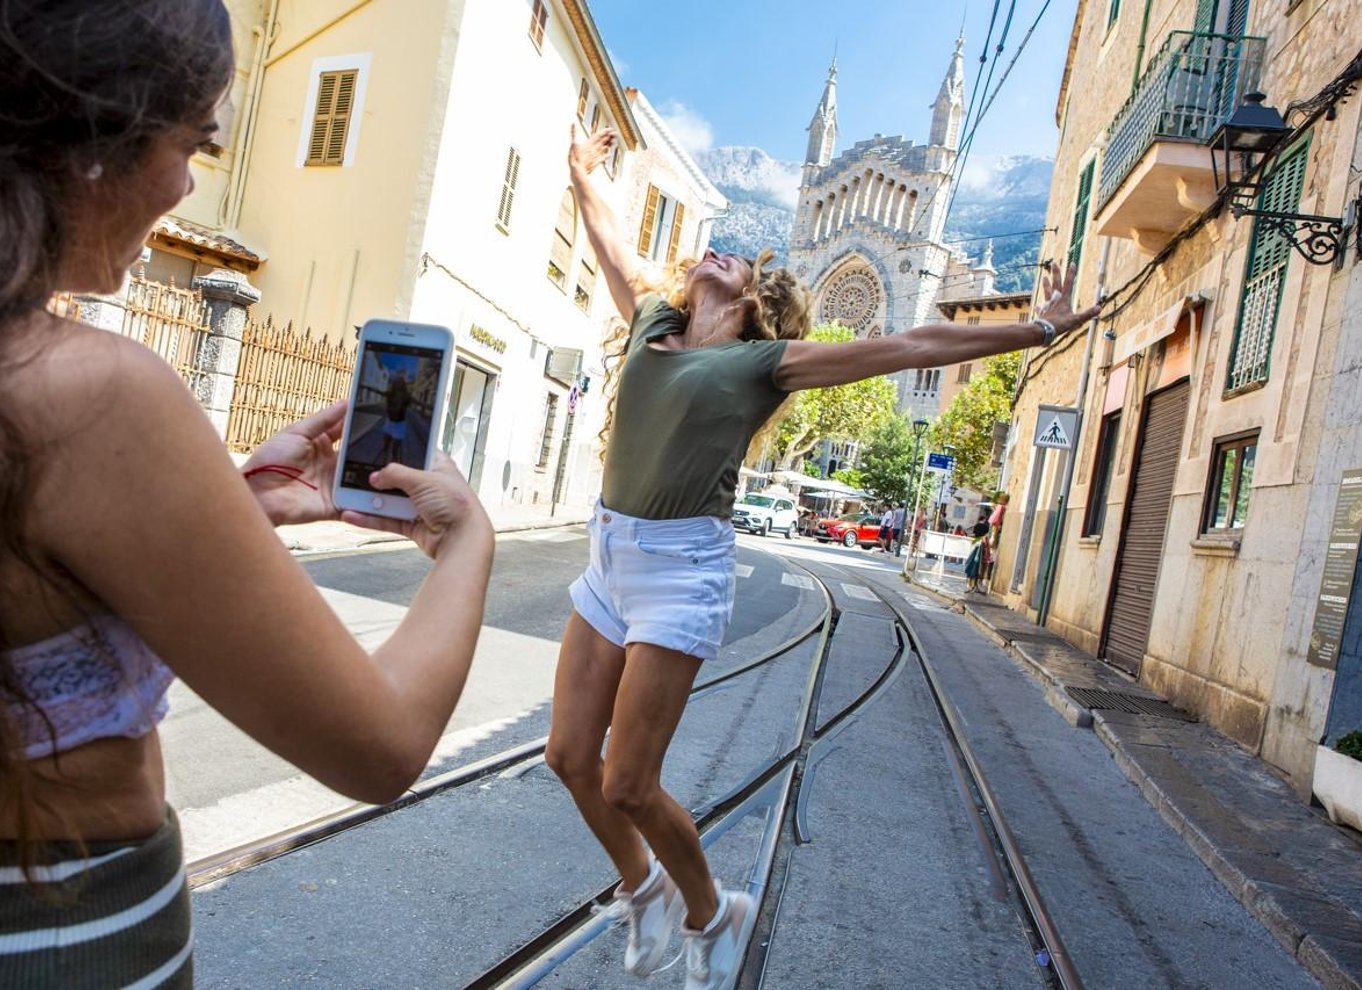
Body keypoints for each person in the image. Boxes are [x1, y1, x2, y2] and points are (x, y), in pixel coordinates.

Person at [0, 4, 494, 985]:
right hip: (71, 936)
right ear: (98, 139)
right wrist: (469, 539)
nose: (189, 183)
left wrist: (225, 503)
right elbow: (382, 745)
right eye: (195, 142)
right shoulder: (90, 390)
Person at [544, 126, 1099, 990]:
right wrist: (584, 176)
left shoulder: (763, 364)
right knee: (567, 759)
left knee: (627, 784)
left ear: (756, 300)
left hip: (681, 571)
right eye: (709, 255)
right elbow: (616, 248)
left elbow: (911, 346)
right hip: (611, 554)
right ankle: (644, 887)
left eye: (735, 260)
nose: (717, 253)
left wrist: (1037, 330)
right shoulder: (655, 320)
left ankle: (708, 910)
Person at [381, 370, 412, 465]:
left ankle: (390, 464)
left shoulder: (405, 396)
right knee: (387, 448)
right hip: (392, 422)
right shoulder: (393, 393)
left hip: (398, 423)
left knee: (393, 449)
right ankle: (386, 463)